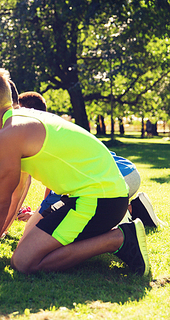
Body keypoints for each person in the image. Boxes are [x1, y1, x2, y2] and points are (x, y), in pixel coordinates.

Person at [0, 67, 150, 276]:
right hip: (92, 196)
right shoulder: (20, 122)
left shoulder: (9, 134)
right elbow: (15, 194)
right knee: (26, 246)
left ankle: (119, 239)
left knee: (24, 262)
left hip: (99, 199)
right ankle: (105, 235)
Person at [17, 91, 163, 229]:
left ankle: (127, 216)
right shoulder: (57, 126)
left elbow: (44, 196)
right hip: (127, 171)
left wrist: (38, 215)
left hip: (115, 180)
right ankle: (136, 209)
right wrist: (42, 210)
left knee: (64, 220)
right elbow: (51, 190)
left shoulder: (40, 139)